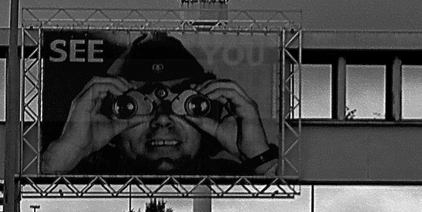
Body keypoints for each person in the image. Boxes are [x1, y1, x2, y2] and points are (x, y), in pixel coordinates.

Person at [40, 32, 278, 176]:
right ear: (104, 113)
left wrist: (259, 158)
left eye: (184, 103)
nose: (162, 119)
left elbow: (292, 200)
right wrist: (67, 152)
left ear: (209, 107)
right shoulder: (78, 173)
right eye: (132, 105)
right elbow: (21, 186)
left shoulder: (233, 175)